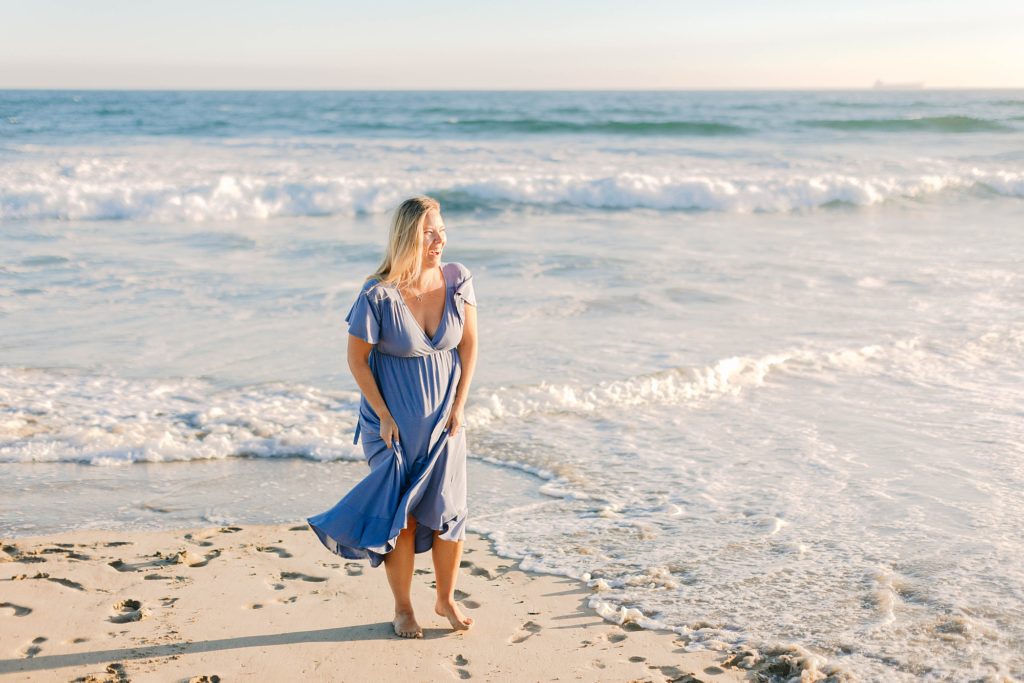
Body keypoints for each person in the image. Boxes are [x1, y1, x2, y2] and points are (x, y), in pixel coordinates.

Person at [306, 195, 479, 639]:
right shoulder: (377, 294)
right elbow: (357, 361)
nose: (438, 238)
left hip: (445, 422)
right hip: (393, 427)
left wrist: (459, 406)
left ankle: (445, 598)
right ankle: (404, 608)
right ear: (407, 236)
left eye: (441, 229)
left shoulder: (458, 280)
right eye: (428, 232)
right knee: (401, 518)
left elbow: (469, 346)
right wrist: (383, 413)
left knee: (448, 512)